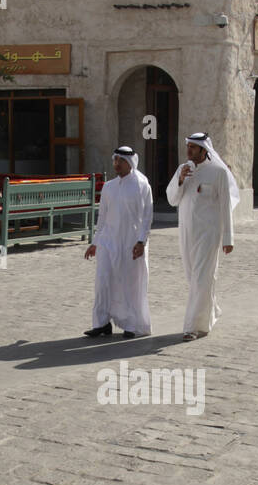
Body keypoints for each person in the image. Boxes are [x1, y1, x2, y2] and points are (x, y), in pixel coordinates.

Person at [166, 131, 237, 340]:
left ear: (204, 150)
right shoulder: (183, 169)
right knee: (194, 278)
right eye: (187, 147)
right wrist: (180, 180)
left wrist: (228, 238)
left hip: (209, 234)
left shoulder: (218, 173)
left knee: (201, 278)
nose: (188, 151)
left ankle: (192, 327)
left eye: (192, 148)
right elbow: (172, 199)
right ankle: (210, 311)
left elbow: (226, 206)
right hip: (187, 232)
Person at [84, 146, 153, 339]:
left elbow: (147, 216)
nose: (116, 164)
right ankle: (101, 323)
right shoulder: (109, 186)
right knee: (103, 282)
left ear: (129, 162)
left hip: (131, 243)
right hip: (108, 242)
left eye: (120, 161)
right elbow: (102, 217)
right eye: (115, 160)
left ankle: (132, 325)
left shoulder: (141, 185)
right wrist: (95, 242)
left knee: (130, 284)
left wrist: (142, 241)